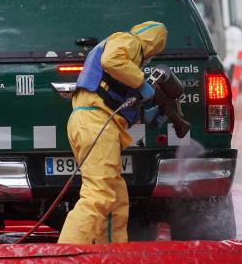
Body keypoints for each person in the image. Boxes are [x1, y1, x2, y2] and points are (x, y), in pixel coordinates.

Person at [58, 21, 167, 245]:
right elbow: (112, 61)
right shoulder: (129, 42)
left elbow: (112, 99)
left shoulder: (128, 58)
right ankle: (63, 257)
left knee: (115, 198)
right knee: (98, 195)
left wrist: (143, 116)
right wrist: (142, 84)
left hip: (93, 122)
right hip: (95, 123)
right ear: (154, 44)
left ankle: (112, 256)